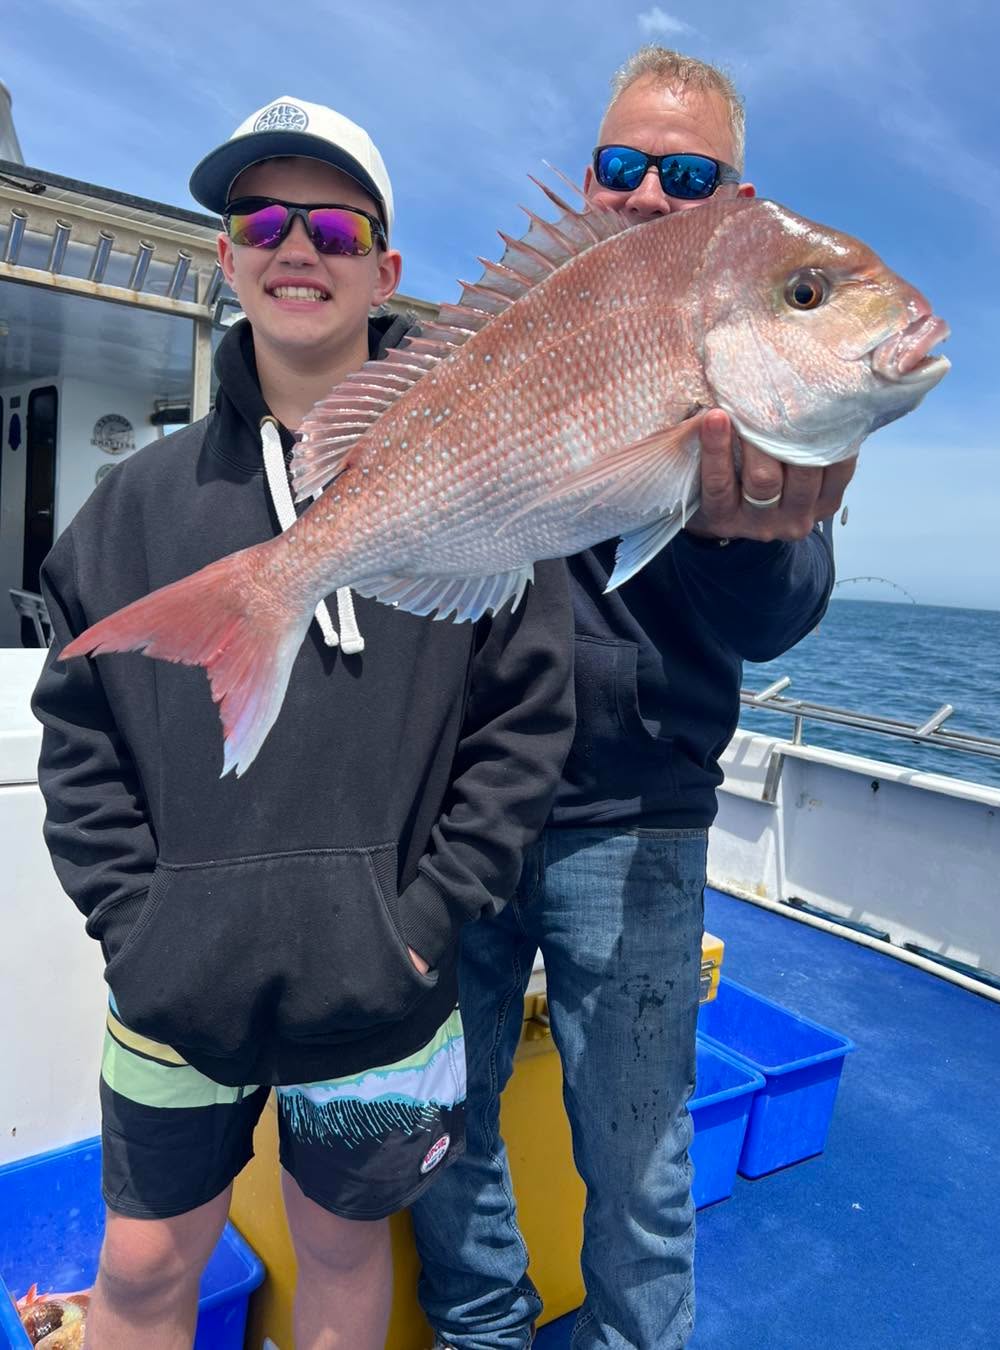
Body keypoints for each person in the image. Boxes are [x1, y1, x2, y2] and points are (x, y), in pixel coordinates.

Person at [31, 96, 574, 1350]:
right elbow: (79, 731)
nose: (297, 245)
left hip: (384, 993)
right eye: (262, 217)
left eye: (334, 225)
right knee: (144, 1272)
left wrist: (424, 926)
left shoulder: (490, 469)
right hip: (174, 993)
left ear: (385, 270)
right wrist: (137, 923)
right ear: (225, 254)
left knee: (340, 1264)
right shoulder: (133, 504)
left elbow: (525, 719)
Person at [411, 47, 856, 1350]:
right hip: (462, 807)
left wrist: (739, 521)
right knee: (444, 1123)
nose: (650, 192)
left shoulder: (766, 350)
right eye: (621, 167)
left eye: (688, 172)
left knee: (643, 1169)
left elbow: (785, 615)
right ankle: (482, 1330)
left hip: (641, 817)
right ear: (589, 184)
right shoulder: (498, 343)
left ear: (737, 198)